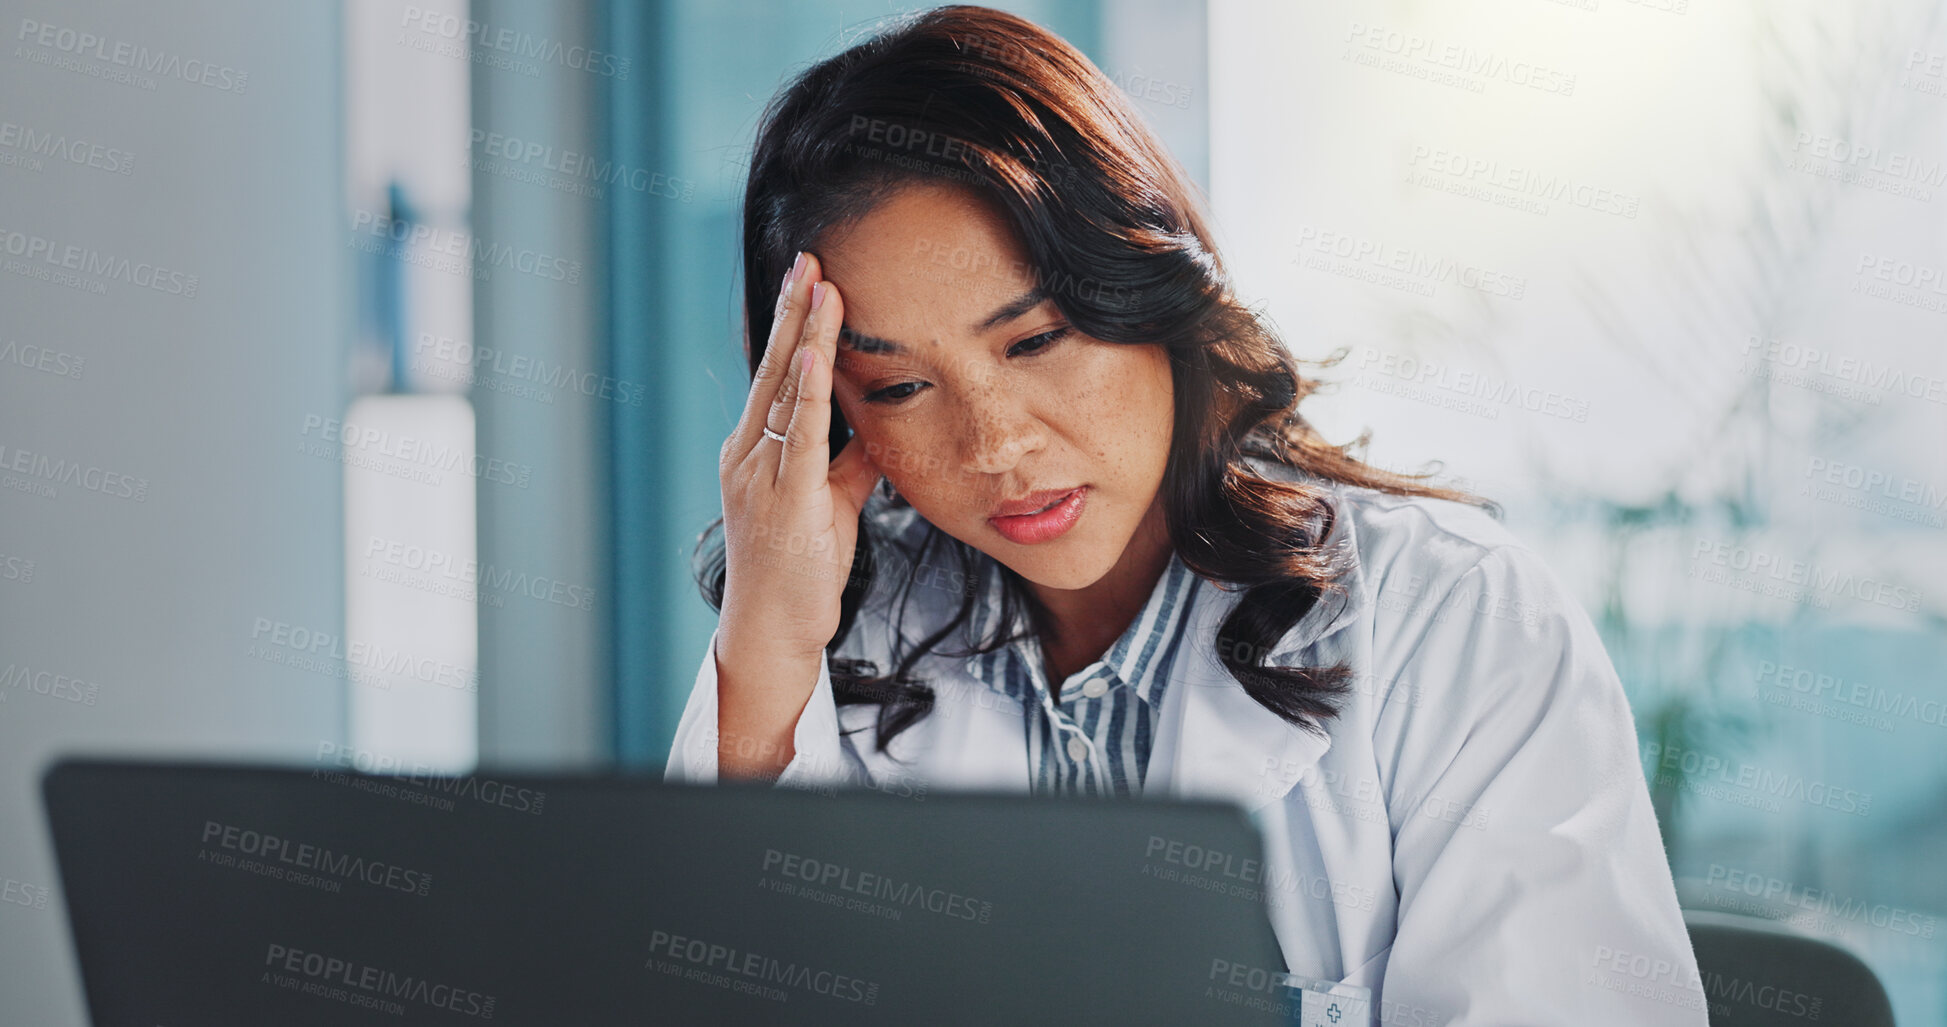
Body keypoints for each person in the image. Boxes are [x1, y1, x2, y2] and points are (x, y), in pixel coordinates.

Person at [666, 6, 1707, 1024]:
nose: (996, 446)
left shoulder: (1456, 619)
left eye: (1037, 341)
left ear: (1152, 290)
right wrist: (765, 643)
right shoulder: (835, 643)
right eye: (896, 389)